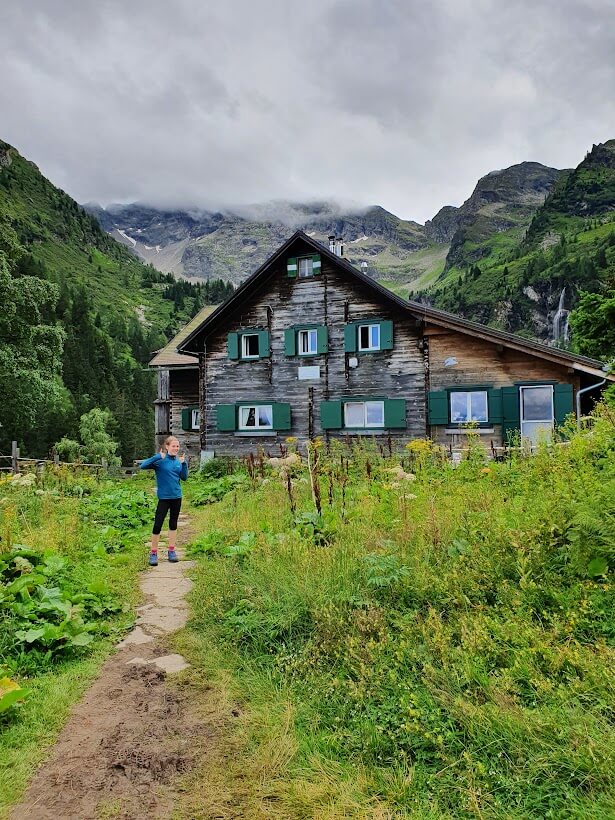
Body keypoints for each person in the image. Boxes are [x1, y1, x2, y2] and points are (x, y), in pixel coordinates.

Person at [140, 436, 188, 566]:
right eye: (173, 446)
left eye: (177, 446)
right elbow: (143, 466)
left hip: (177, 497)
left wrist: (184, 464)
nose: (176, 448)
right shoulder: (160, 461)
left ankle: (171, 551)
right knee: (157, 525)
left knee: (173, 524)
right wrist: (157, 456)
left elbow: (184, 478)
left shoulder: (178, 462)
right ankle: (153, 553)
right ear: (167, 447)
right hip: (164, 498)